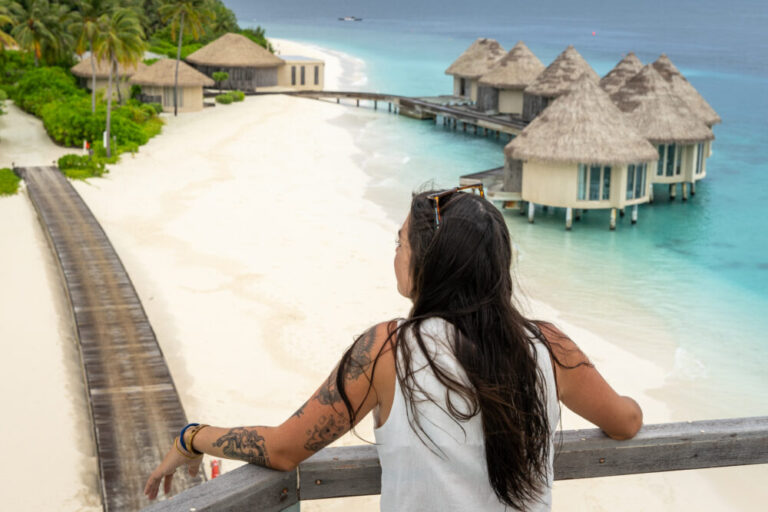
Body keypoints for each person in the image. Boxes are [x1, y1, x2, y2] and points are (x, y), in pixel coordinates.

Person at [145, 186, 643, 510]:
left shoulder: (389, 350)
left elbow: (282, 448)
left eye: (401, 242)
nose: (397, 253)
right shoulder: (547, 345)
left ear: (430, 263)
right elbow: (625, 422)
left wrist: (191, 437)